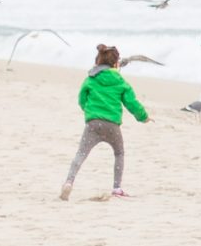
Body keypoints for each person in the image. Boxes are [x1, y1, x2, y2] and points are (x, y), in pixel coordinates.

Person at [62, 44, 149, 199]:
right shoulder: (120, 81)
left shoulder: (90, 79)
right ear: (116, 63)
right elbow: (132, 103)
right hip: (112, 125)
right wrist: (143, 117)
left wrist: (89, 112)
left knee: (81, 154)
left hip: (93, 123)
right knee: (119, 153)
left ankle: (69, 182)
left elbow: (82, 99)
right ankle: (116, 188)